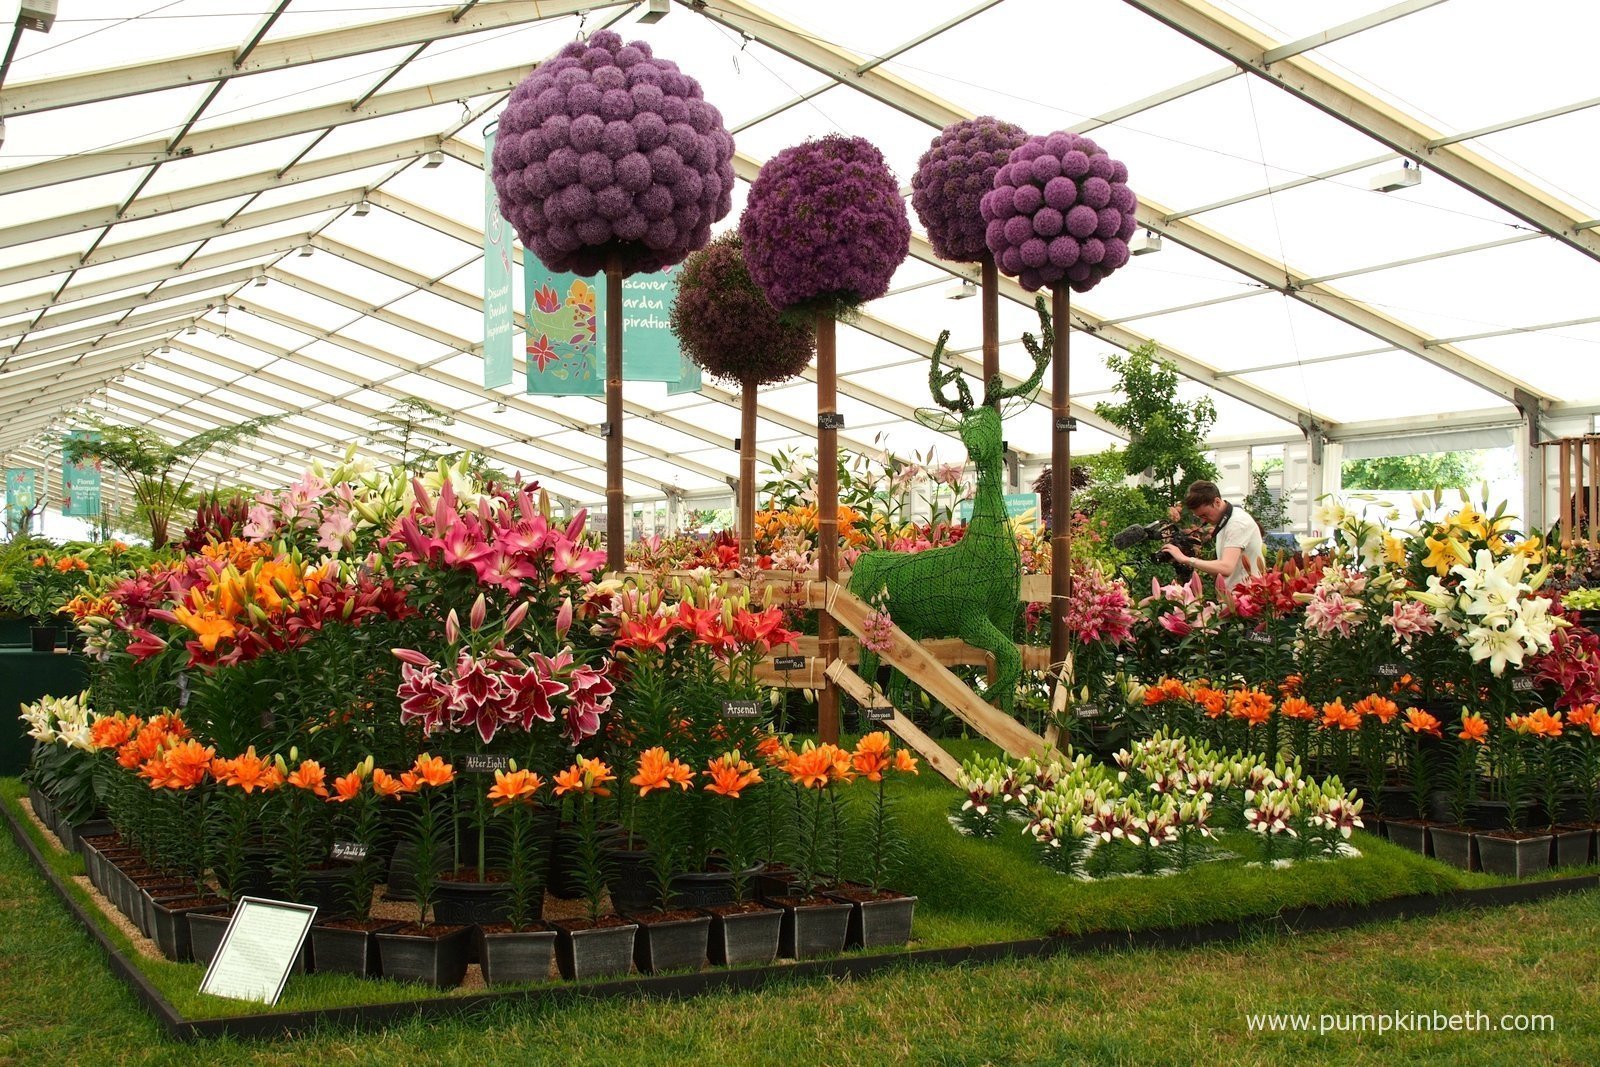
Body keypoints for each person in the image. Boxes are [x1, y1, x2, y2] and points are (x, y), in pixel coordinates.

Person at [1162, 480, 1264, 594]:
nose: (1203, 520)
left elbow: (1226, 567)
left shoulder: (1237, 523)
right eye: (1199, 516)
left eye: (1205, 515)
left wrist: (1185, 559)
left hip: (1247, 599)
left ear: (1217, 501)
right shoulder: (1227, 519)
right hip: (1239, 598)